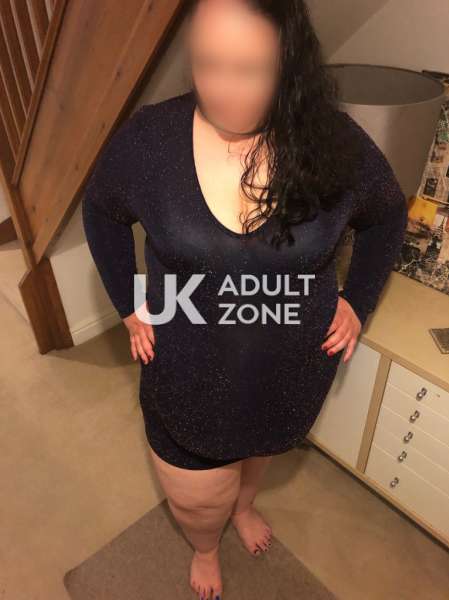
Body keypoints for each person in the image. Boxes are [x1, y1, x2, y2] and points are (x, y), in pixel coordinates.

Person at [81, 1, 409, 598]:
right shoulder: (151, 139)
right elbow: (101, 210)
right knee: (198, 499)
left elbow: (387, 216)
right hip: (187, 370)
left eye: (250, 69)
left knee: (258, 451)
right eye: (207, 64)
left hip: (288, 368)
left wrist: (358, 300)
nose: (223, 89)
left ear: (289, 63)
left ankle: (243, 506)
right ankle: (206, 545)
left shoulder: (333, 139)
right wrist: (128, 303)